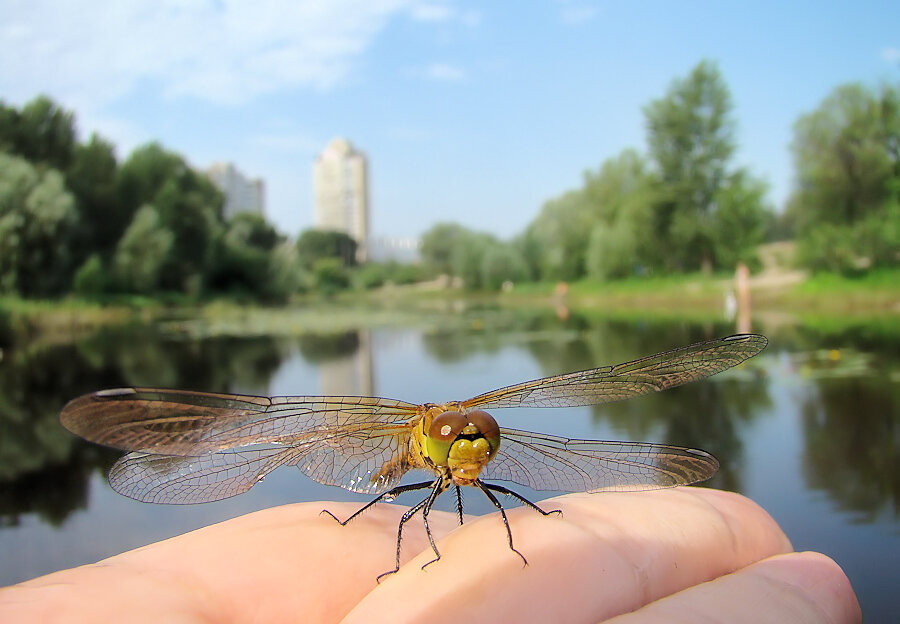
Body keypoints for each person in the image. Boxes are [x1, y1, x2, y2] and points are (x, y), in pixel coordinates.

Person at [0, 488, 860, 623]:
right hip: (388, 474)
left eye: (479, 438)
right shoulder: (420, 445)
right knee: (403, 515)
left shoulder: (475, 453)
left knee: (497, 511)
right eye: (461, 439)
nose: (473, 449)